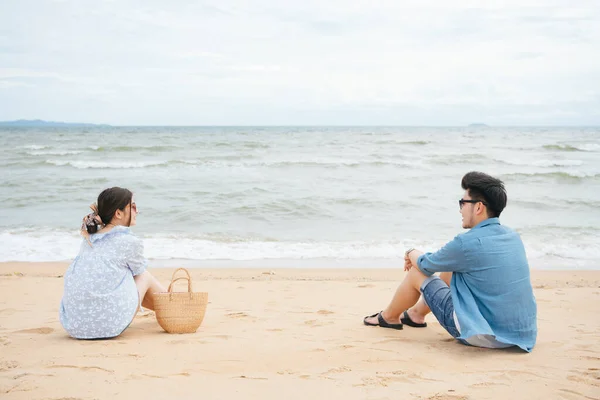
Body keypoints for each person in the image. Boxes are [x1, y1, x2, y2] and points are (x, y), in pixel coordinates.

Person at [363, 171, 537, 352]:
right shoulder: (513, 236)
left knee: (416, 273)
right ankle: (416, 314)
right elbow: (442, 262)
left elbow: (425, 265)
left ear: (478, 207)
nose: (460, 209)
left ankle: (389, 317)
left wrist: (411, 252)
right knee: (452, 266)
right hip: (518, 336)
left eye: (463, 203)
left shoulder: (466, 243)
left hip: (482, 336)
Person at [59, 187, 166, 339]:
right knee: (144, 276)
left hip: (75, 326)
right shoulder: (128, 241)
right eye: (133, 207)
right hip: (109, 326)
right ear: (118, 213)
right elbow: (138, 273)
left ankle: (170, 306)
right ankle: (172, 306)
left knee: (123, 274)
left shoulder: (89, 238)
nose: (137, 211)